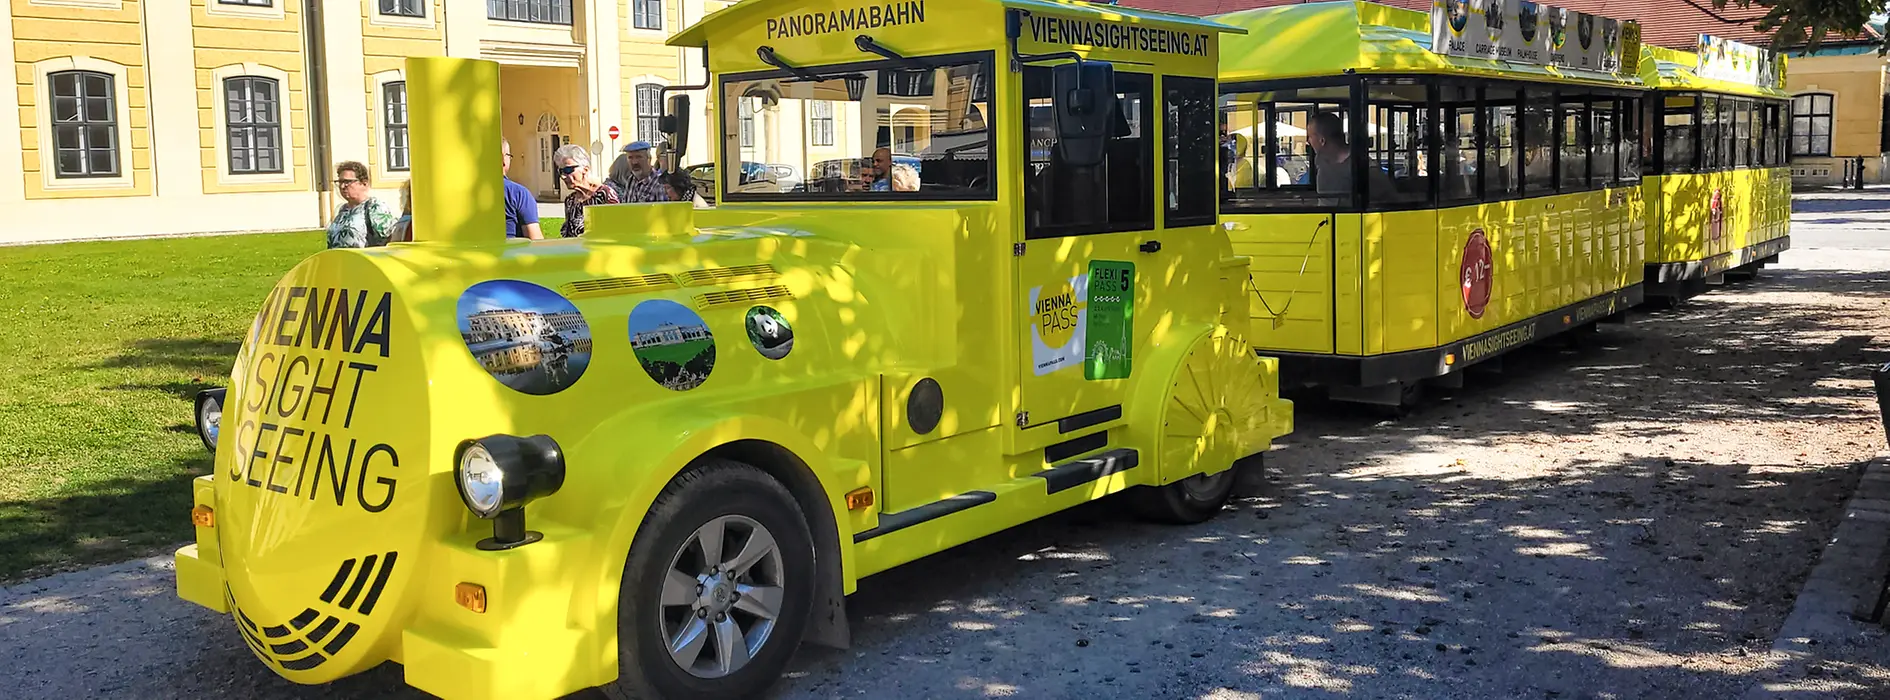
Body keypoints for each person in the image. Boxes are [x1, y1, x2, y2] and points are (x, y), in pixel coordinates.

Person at [326, 161, 397, 249]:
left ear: (364, 183)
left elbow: (389, 239)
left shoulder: (374, 206)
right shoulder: (342, 209)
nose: (342, 186)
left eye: (347, 182)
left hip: (362, 260)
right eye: (340, 182)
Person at [554, 144, 619, 238]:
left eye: (568, 170)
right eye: (561, 171)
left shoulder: (604, 194)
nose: (563, 176)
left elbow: (615, 229)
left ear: (585, 169)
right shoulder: (570, 200)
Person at [502, 138, 543, 240]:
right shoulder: (517, 193)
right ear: (503, 159)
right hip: (509, 253)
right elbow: (535, 241)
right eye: (509, 156)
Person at [1305, 112, 1354, 195]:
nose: (1308, 141)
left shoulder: (1360, 166)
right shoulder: (1320, 159)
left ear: (1322, 141)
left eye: (1310, 136)